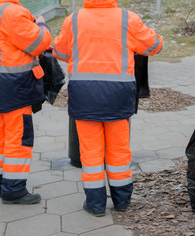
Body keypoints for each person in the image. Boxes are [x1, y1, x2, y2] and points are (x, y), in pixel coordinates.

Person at [53, 0, 163, 216]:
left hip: (84, 96)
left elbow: (60, 51)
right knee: (119, 151)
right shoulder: (127, 18)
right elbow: (153, 46)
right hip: (118, 96)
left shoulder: (74, 19)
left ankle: (95, 204)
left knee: (91, 154)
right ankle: (122, 201)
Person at [0, 0, 53, 204]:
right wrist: (42, 25)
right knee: (18, 138)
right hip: (14, 86)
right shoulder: (13, 12)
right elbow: (39, 43)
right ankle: (14, 189)